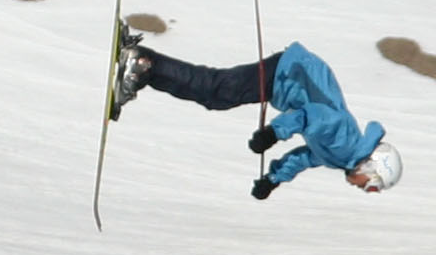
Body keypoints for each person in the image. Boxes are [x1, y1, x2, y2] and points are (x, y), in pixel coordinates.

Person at [112, 34, 402, 198]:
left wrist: (273, 179)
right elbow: (310, 115)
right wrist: (273, 134)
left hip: (287, 78)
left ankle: (143, 66)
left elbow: (304, 157)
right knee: (215, 90)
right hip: (289, 74)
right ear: (371, 167)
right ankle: (142, 64)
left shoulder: (341, 156)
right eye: (373, 185)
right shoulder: (346, 141)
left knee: (214, 94)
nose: (367, 190)